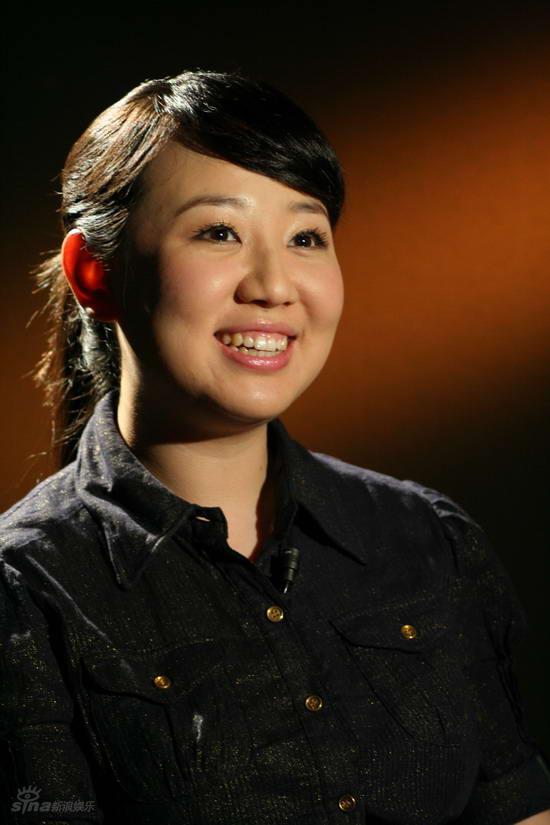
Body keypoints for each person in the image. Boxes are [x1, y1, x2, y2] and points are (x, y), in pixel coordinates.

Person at [0, 68, 549, 825]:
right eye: (218, 232)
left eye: (305, 238)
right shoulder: (25, 591)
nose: (274, 285)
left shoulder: (428, 538)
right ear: (95, 273)